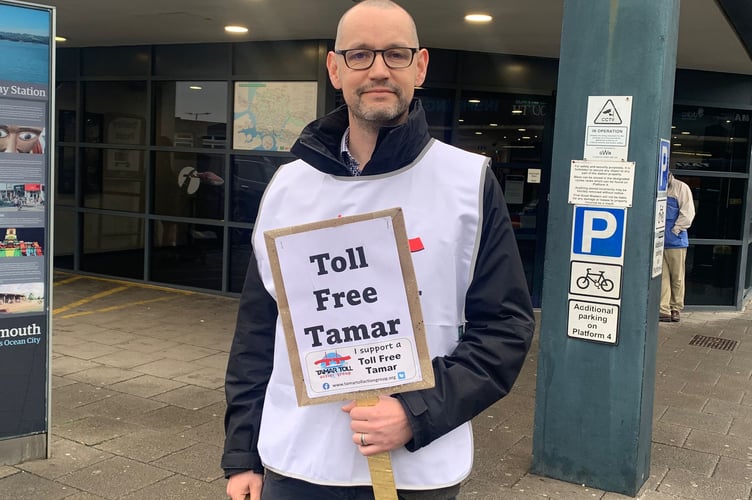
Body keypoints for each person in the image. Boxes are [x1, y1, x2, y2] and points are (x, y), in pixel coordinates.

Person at [222, 1, 535, 499]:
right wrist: (242, 454)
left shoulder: (468, 181)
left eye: (395, 54)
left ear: (421, 66)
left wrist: (417, 410)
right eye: (360, 55)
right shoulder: (288, 185)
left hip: (416, 469)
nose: (379, 70)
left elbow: (506, 328)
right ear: (335, 68)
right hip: (296, 463)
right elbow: (260, 329)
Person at [660, 171, 695, 322]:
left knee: (677, 276)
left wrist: (675, 230)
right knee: (662, 277)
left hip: (676, 241)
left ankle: (675, 308)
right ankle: (663, 309)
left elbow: (687, 213)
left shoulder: (681, 188)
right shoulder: (658, 188)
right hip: (659, 242)